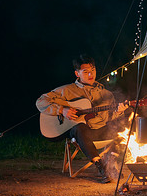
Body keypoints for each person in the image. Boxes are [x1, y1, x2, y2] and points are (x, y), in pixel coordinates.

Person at [36, 54, 129, 183]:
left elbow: (110, 118)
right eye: (85, 72)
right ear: (77, 73)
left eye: (93, 71)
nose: (90, 75)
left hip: (100, 131)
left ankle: (111, 164)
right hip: (82, 135)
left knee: (123, 124)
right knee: (79, 128)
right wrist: (62, 110)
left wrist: (119, 112)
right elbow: (41, 101)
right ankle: (101, 167)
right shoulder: (67, 90)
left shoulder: (107, 94)